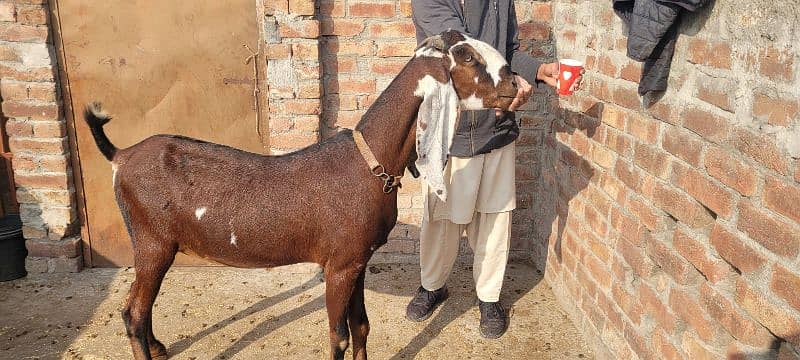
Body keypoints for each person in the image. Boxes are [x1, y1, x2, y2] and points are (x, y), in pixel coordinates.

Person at [407, 0, 581, 339]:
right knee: (440, 220)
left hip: (496, 128)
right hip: (448, 131)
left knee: (495, 218)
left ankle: (488, 298)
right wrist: (511, 82)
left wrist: (535, 70)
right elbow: (463, 50)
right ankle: (432, 286)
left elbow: (508, 50)